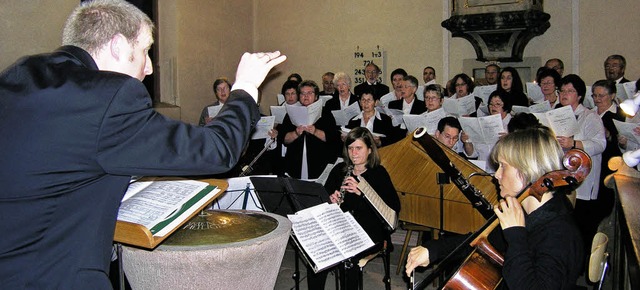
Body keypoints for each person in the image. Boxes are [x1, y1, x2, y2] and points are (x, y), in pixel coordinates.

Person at [0, 0, 286, 288]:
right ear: (118, 46)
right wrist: (246, 87)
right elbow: (217, 150)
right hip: (53, 277)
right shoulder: (110, 96)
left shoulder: (21, 74)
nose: (149, 68)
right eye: (145, 50)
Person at [406, 126, 584, 289]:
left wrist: (516, 234)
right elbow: (481, 242)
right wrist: (433, 250)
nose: (496, 175)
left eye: (503, 166)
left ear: (528, 169)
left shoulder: (559, 233)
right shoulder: (520, 210)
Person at [307, 127, 400, 290]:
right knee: (315, 253)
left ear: (370, 150)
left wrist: (363, 193)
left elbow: (393, 209)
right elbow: (323, 198)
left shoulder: (378, 173)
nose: (354, 153)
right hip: (340, 227)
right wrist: (330, 200)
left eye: (359, 148)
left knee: (349, 259)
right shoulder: (340, 170)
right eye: (350, 148)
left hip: (369, 230)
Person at [556, 75, 606, 263]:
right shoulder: (557, 115)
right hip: (562, 177)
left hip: (584, 181)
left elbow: (600, 144)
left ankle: (581, 264)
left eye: (570, 91)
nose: (564, 94)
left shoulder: (590, 116)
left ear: (579, 95)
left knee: (582, 227)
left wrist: (574, 143)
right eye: (562, 91)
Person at [278, 80, 339, 179]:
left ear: (316, 96)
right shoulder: (291, 112)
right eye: (302, 93)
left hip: (319, 163)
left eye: (309, 93)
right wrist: (296, 133)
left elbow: (332, 138)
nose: (306, 96)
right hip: (295, 164)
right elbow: (284, 139)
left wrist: (315, 132)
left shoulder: (325, 113)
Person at [591, 80, 626, 224]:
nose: (597, 99)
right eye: (594, 96)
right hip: (592, 162)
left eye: (601, 96)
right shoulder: (590, 113)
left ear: (612, 95)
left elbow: (624, 145)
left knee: (605, 202)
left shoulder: (621, 115)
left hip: (609, 163)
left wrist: (610, 136)